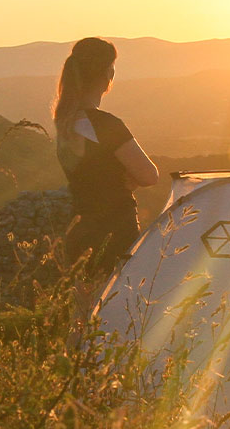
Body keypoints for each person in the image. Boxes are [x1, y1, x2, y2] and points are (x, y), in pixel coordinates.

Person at [53, 37, 159, 275]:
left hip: (82, 233)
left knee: (87, 307)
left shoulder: (65, 123)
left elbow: (91, 173)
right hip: (116, 232)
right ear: (107, 75)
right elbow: (150, 175)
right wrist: (129, 178)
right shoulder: (105, 125)